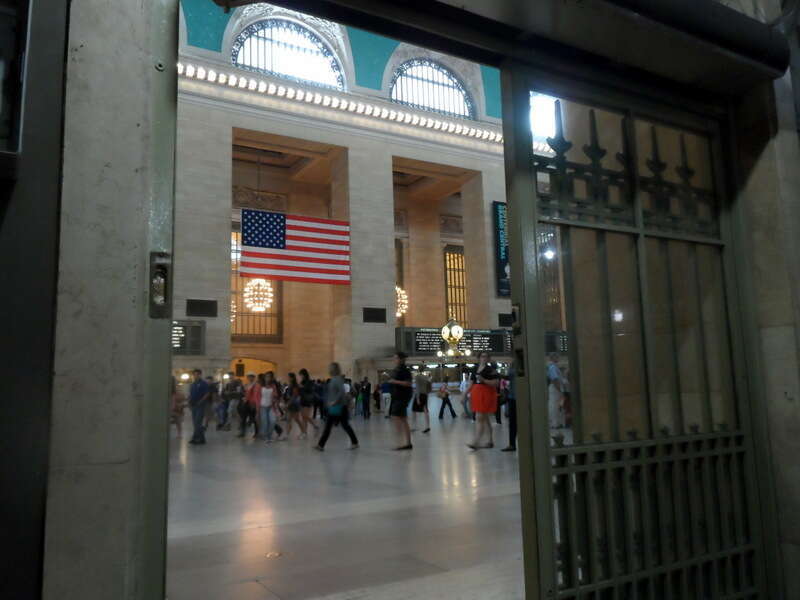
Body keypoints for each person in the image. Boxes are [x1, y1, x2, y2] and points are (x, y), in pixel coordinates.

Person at [314, 362, 359, 451]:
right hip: (337, 407)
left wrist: (334, 402)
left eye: (330, 368)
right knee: (342, 425)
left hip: (339, 407)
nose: (329, 369)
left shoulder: (337, 379)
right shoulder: (335, 379)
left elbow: (341, 392)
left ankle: (320, 445)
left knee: (334, 426)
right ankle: (321, 445)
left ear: (333, 369)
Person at [467, 352, 500, 450]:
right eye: (482, 356)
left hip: (486, 395)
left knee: (479, 417)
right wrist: (465, 394)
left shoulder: (491, 370)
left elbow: (496, 383)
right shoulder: (474, 369)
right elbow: (471, 383)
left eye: (486, 356)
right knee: (485, 419)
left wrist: (484, 380)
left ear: (489, 359)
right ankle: (490, 441)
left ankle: (476, 442)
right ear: (479, 358)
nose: (484, 358)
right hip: (477, 395)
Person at [388, 352, 414, 450]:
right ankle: (407, 443)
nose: (394, 360)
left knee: (397, 417)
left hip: (401, 398)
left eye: (395, 358)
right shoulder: (397, 370)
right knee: (402, 419)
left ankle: (401, 441)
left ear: (400, 359)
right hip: (398, 397)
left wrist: (394, 381)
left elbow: (408, 383)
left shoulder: (404, 370)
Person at [188, 369, 210, 445]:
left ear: (200, 375)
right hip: (193, 405)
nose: (196, 376)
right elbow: (191, 394)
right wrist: (189, 402)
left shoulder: (204, 383)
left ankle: (195, 438)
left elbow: (207, 394)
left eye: (197, 374)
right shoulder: (193, 384)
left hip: (200, 405)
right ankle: (202, 439)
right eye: (194, 374)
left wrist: (201, 401)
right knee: (195, 423)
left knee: (198, 422)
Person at [284, 372, 307, 439]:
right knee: (289, 419)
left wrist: (288, 403)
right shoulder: (291, 385)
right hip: (291, 404)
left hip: (294, 405)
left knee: (296, 419)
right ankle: (287, 435)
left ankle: (304, 432)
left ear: (292, 378)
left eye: (288, 377)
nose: (287, 378)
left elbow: (294, 396)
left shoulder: (294, 385)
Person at [501, 361, 517, 452]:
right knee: (512, 423)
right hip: (512, 397)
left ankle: (512, 444)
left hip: (518, 397)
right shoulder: (513, 363)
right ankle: (512, 444)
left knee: (515, 423)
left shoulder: (518, 363)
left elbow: (509, 376)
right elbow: (509, 377)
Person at [238, 372, 259, 438]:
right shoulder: (246, 385)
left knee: (254, 418)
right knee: (243, 418)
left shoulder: (256, 385)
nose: (250, 378)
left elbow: (256, 395)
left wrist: (254, 403)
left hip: (252, 403)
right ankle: (242, 432)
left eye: (251, 376)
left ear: (254, 377)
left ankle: (256, 433)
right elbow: (244, 394)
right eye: (249, 376)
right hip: (246, 403)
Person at [547, 353, 565, 429]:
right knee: (554, 405)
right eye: (556, 357)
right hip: (555, 387)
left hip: (557, 387)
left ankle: (558, 422)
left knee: (558, 405)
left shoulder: (555, 367)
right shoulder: (552, 367)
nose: (558, 358)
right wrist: (559, 389)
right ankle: (554, 423)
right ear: (553, 358)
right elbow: (555, 379)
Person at [298, 369, 319, 433]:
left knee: (306, 416)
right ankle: (305, 432)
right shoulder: (301, 382)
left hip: (307, 401)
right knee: (303, 417)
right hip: (302, 400)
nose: (300, 376)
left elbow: (310, 390)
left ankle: (314, 426)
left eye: (301, 375)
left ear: (304, 374)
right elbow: (300, 391)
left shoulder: (309, 382)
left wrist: (302, 387)